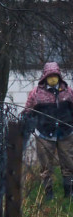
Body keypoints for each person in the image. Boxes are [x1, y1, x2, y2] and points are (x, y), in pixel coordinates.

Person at [22, 61, 73, 198]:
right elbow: (27, 111)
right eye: (50, 76)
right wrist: (28, 125)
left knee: (69, 163)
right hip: (44, 134)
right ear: (44, 77)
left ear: (59, 76)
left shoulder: (68, 92)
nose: (52, 78)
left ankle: (69, 192)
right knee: (45, 166)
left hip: (66, 133)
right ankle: (48, 193)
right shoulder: (36, 94)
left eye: (55, 75)